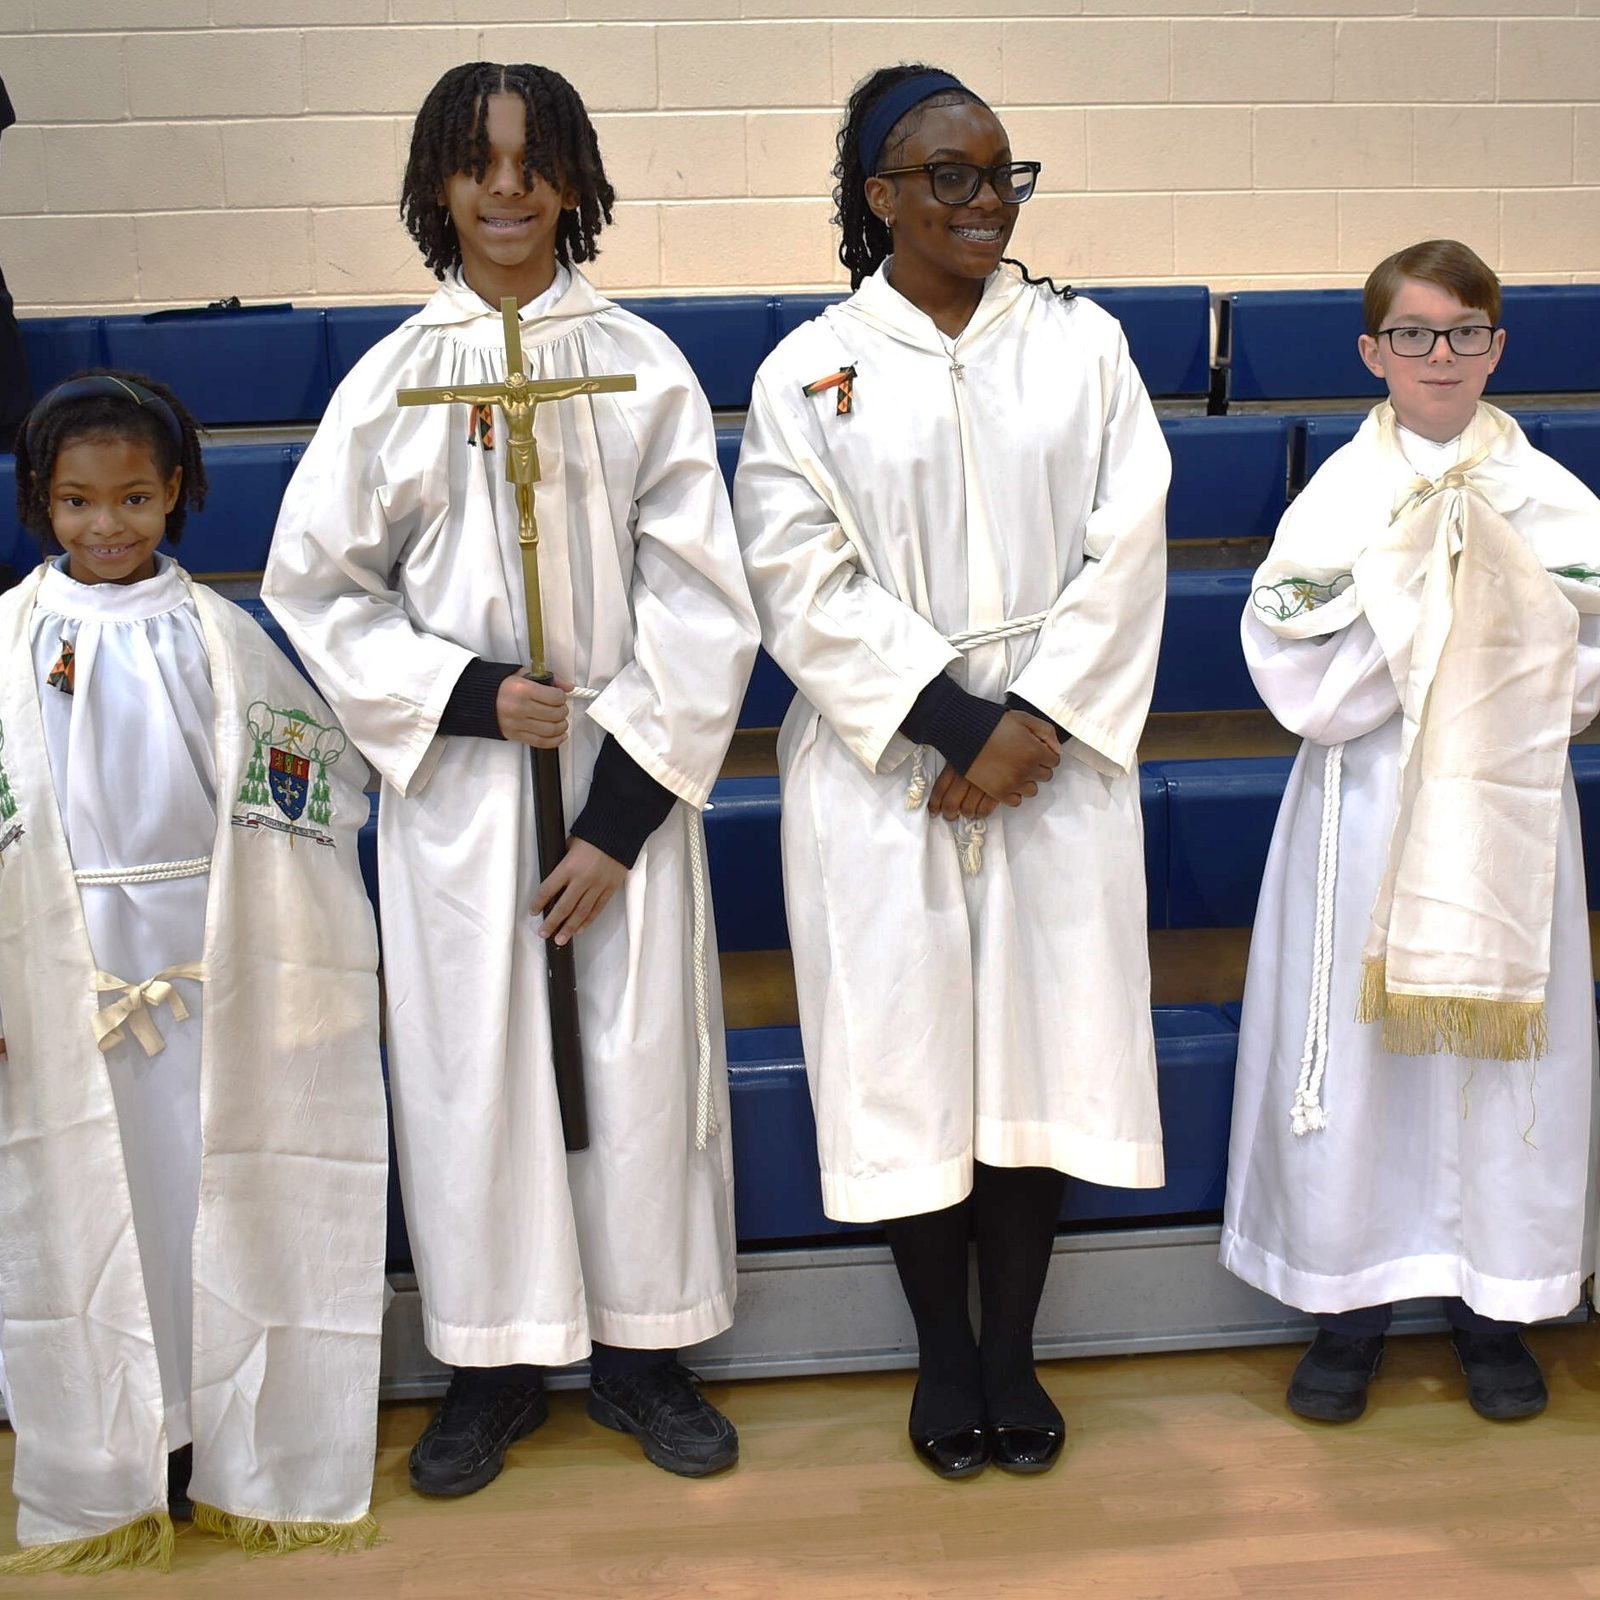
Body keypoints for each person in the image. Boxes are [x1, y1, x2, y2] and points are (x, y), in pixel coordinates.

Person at [264, 62, 759, 1496]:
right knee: (474, 1067)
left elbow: (704, 603)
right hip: (466, 800)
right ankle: (489, 1362)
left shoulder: (641, 365)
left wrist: (619, 823)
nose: (506, 189)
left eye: (533, 161)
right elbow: (318, 588)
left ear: (574, 180)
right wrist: (473, 695)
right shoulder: (397, 380)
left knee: (635, 1065)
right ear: (435, 183)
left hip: (621, 791)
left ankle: (642, 1351)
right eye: (478, 163)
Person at [732, 65, 1169, 1479]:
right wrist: (953, 723)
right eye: (953, 178)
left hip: (1055, 758)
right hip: (889, 772)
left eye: (1003, 176)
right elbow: (798, 576)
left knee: (1036, 1050)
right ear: (880, 196)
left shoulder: (1083, 347)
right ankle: (941, 1356)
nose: (987, 203)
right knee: (910, 1054)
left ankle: (1016, 1354)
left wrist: (1032, 718)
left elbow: (1133, 540)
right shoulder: (808, 371)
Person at [0, 371, 387, 1573]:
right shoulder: (10, 645)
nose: (104, 526)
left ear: (176, 493)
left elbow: (312, 802)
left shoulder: (222, 642)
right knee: (91, 1215)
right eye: (76, 502)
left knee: (205, 1207)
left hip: (209, 967)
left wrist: (296, 970)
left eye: (131, 498)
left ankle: (218, 1436)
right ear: (39, 502)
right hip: (59, 973)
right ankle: (114, 1444)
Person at [1222, 238, 1600, 1424]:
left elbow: (1581, 668)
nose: (1441, 356)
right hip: (1367, 807)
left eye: (1465, 332)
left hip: (1503, 820)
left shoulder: (1552, 501)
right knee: (1362, 1053)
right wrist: (1432, 627)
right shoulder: (1335, 499)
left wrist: (1467, 633)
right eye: (1414, 335)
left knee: (1495, 1066)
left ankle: (1495, 1309)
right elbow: (1297, 675)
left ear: (1498, 344)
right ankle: (1349, 1307)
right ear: (1370, 352)